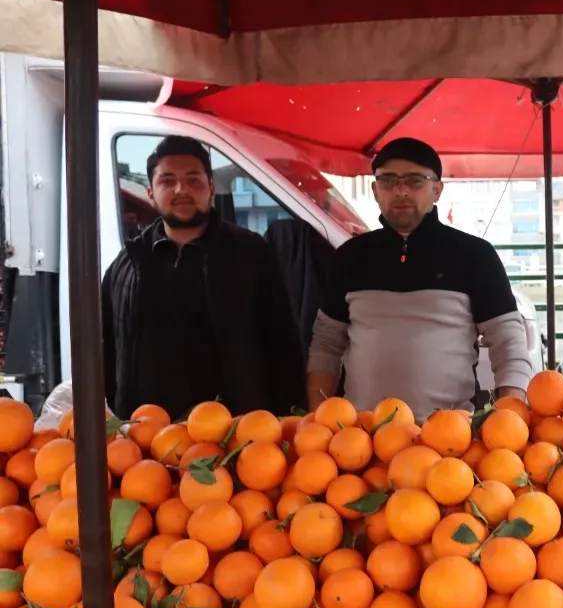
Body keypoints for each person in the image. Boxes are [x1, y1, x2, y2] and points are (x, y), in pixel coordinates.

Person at [307, 137, 532, 422]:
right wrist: (318, 423)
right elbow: (326, 344)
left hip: (449, 437)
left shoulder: (475, 256)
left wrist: (509, 423)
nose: (400, 190)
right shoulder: (349, 257)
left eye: (414, 180)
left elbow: (509, 344)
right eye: (388, 180)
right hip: (360, 438)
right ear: (375, 190)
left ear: (437, 189)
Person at [102, 135, 306, 420]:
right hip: (149, 435)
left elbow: (284, 345)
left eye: (193, 180)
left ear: (211, 189)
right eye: (167, 181)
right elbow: (107, 350)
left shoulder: (250, 254)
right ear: (150, 193)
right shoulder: (129, 264)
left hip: (236, 433)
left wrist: (283, 420)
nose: (181, 189)